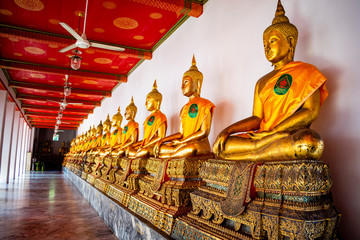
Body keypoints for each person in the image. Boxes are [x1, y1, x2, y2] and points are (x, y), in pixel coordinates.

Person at [212, 0, 328, 161]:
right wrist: (227, 131)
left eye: (272, 41)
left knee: (310, 142)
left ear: (291, 42)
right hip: (264, 137)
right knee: (223, 145)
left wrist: (274, 132)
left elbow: (310, 111)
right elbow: (257, 119)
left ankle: (253, 153)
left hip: (288, 134)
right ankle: (258, 152)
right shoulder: (262, 82)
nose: (267, 47)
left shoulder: (307, 71)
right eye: (264, 43)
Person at [154, 56, 215, 158]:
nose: (182, 86)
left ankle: (170, 155)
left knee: (191, 149)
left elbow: (204, 132)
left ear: (197, 83)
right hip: (183, 143)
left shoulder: (205, 104)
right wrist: (162, 140)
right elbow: (180, 133)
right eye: (182, 83)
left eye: (186, 82)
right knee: (160, 148)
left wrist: (182, 141)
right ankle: (173, 154)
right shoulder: (184, 108)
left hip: (198, 144)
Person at [127, 80, 167, 158]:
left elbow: (160, 137)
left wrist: (146, 145)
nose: (145, 103)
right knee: (129, 150)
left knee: (143, 151)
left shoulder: (161, 116)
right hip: (146, 145)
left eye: (148, 101)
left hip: (153, 146)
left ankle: (137, 156)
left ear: (157, 102)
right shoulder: (147, 119)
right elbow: (145, 138)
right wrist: (142, 145)